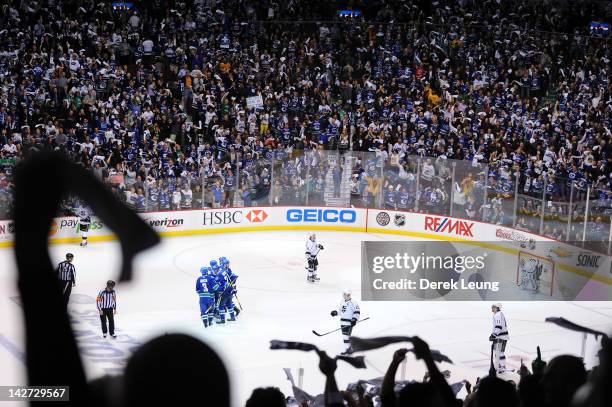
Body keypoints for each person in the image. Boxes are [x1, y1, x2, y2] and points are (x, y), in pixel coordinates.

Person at [330, 289, 360, 355]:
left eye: (347, 294)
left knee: (346, 336)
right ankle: (348, 349)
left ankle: (348, 350)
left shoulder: (353, 302)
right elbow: (340, 311)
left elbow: (357, 311)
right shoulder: (342, 301)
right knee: (345, 336)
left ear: (349, 295)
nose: (345, 296)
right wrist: (335, 313)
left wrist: (354, 319)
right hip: (342, 322)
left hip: (349, 322)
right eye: (344, 294)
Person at [490, 303, 509, 374]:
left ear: (497, 308)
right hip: (501, 336)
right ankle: (501, 366)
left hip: (500, 337)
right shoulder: (499, 314)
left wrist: (493, 335)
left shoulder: (498, 315)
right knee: (499, 352)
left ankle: (501, 367)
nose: (492, 308)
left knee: (499, 352)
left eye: (494, 307)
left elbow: (498, 327)